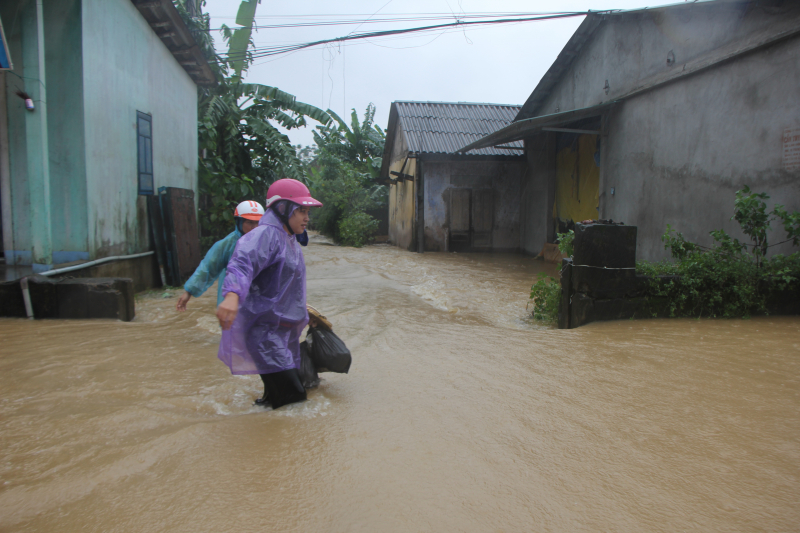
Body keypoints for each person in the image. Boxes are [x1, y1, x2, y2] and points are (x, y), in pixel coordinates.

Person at [215, 179, 322, 409]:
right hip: (264, 332)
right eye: (301, 210)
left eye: (307, 211)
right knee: (294, 397)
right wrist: (232, 295)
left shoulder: (288, 238)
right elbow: (242, 264)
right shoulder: (265, 235)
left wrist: (305, 310)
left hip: (281, 330)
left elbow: (285, 287)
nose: (306, 217)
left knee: (276, 399)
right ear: (282, 208)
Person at [176, 201, 264, 312]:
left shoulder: (267, 243)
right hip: (232, 301)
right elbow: (207, 268)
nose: (254, 227)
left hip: (259, 301)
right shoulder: (227, 245)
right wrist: (189, 292)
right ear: (239, 222)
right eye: (249, 222)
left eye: (258, 222)